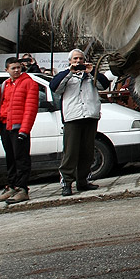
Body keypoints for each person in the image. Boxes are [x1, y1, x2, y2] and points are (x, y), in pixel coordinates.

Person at [50, 50, 109, 196]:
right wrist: (70, 73)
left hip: (89, 115)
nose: (78, 61)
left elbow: (104, 85)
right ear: (70, 61)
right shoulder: (64, 75)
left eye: (81, 59)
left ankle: (83, 181)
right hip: (73, 117)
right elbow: (55, 87)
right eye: (75, 58)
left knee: (87, 151)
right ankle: (67, 183)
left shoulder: (90, 75)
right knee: (70, 152)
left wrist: (93, 71)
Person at [0, 58, 39, 203]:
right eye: (13, 68)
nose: (17, 70)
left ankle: (22, 188)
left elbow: (30, 108)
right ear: (7, 70)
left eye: (19, 67)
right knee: (10, 158)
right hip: (5, 125)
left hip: (19, 127)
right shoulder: (5, 84)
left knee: (21, 158)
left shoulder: (29, 83)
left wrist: (24, 129)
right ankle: (11, 186)